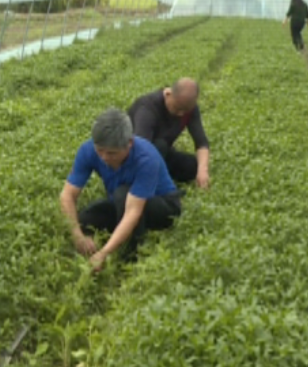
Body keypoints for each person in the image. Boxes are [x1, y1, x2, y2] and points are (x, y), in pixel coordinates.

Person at [60, 108, 184, 272]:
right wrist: (78, 236)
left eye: (112, 153)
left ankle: (130, 258)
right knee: (85, 219)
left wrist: (103, 253)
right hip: (123, 201)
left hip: (163, 205)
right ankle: (117, 237)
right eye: (100, 151)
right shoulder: (88, 150)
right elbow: (67, 195)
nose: (104, 157)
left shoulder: (146, 158)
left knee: (122, 195)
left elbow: (133, 212)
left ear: (129, 143)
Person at [127, 78, 211, 188]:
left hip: (162, 153)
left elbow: (201, 142)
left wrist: (202, 170)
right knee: (160, 145)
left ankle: (160, 175)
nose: (181, 114)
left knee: (193, 166)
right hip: (133, 158)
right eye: (177, 108)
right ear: (168, 93)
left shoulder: (189, 109)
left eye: (185, 111)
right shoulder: (147, 109)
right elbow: (139, 148)